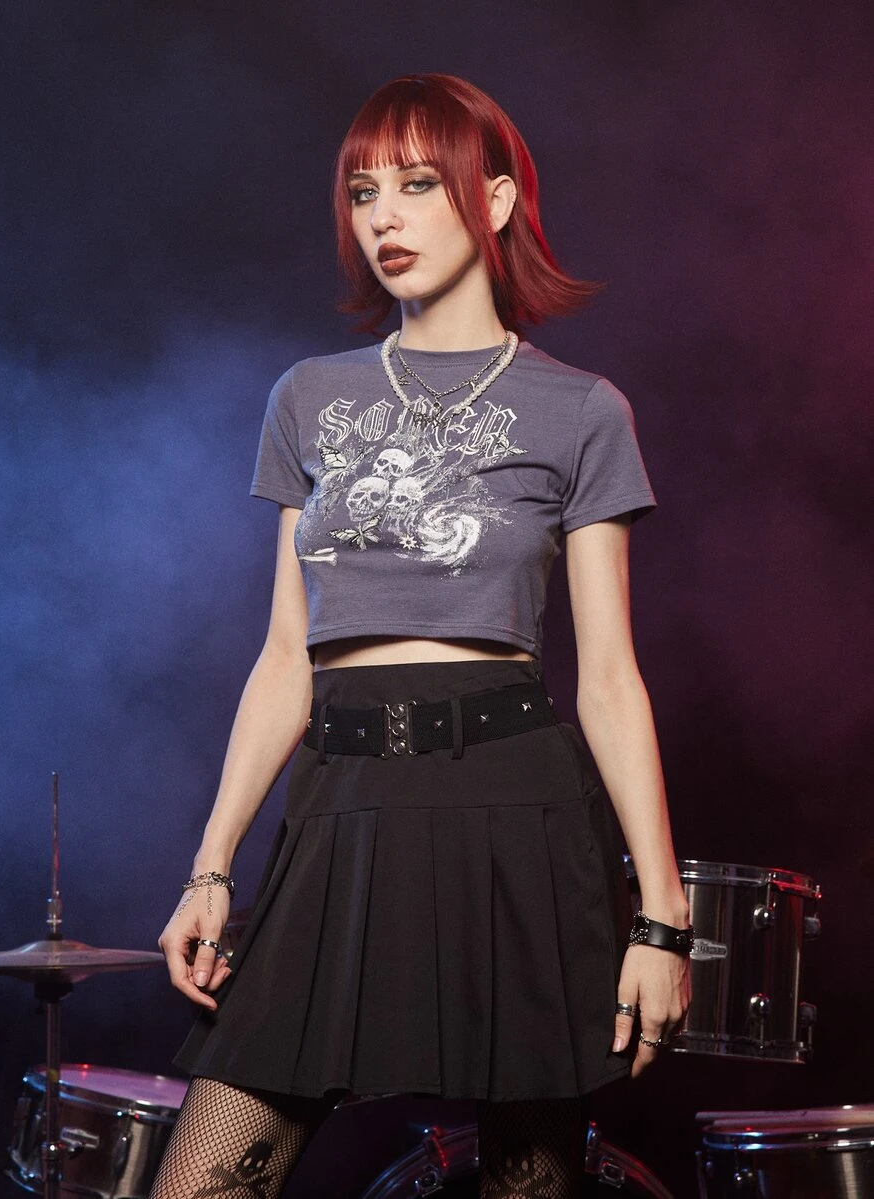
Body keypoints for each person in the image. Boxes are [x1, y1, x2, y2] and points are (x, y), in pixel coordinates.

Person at [150, 73, 691, 1199]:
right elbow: (283, 657)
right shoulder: (308, 396)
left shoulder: (582, 409)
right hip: (341, 802)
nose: (383, 218)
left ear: (493, 200)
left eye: (415, 185)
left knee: (529, 1182)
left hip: (515, 808)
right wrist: (212, 864)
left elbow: (609, 679)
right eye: (362, 193)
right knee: (203, 1180)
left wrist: (663, 919)